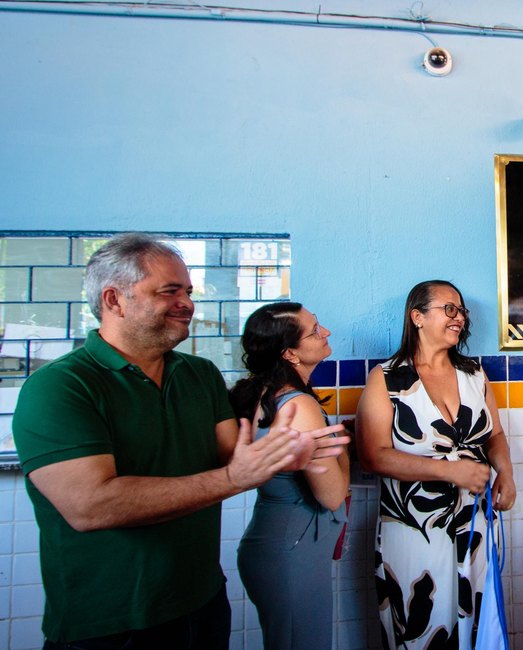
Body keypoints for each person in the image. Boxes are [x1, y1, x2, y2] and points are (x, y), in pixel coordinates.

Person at [11, 233, 348, 650]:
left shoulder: (199, 375)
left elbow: (231, 455)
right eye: (169, 291)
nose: (187, 303)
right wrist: (238, 477)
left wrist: (285, 455)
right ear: (114, 300)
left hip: (202, 603)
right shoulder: (62, 386)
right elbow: (91, 506)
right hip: (111, 622)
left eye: (188, 291)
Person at [357, 280, 516, 649]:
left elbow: (494, 435)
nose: (459, 317)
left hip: (473, 525)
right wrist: (448, 470)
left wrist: (506, 471)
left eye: (461, 311)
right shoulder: (386, 379)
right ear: (417, 317)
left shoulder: (474, 374)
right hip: (413, 530)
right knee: (423, 627)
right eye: (449, 309)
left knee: (478, 623)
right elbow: (373, 454)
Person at [231, 303, 350, 650]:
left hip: (274, 544)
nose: (325, 332)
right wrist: (343, 447)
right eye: (315, 330)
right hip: (292, 553)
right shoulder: (300, 406)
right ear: (289, 353)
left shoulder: (264, 394)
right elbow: (330, 495)